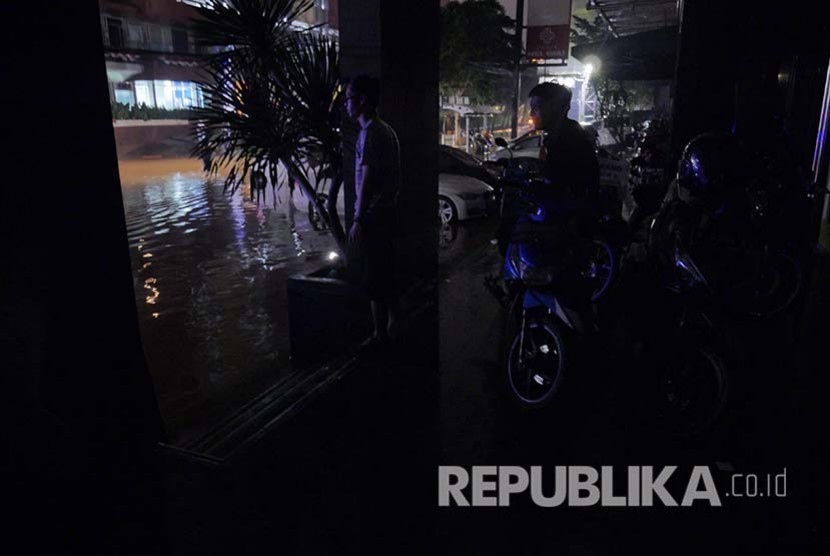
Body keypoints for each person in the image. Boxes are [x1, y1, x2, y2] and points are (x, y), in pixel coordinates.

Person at [344, 74, 402, 347]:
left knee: (374, 275)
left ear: (362, 101)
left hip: (374, 215)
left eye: (349, 98)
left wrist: (358, 218)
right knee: (387, 269)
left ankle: (379, 334)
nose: (346, 104)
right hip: (387, 211)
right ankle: (395, 323)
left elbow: (366, 180)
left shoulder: (370, 134)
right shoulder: (386, 130)